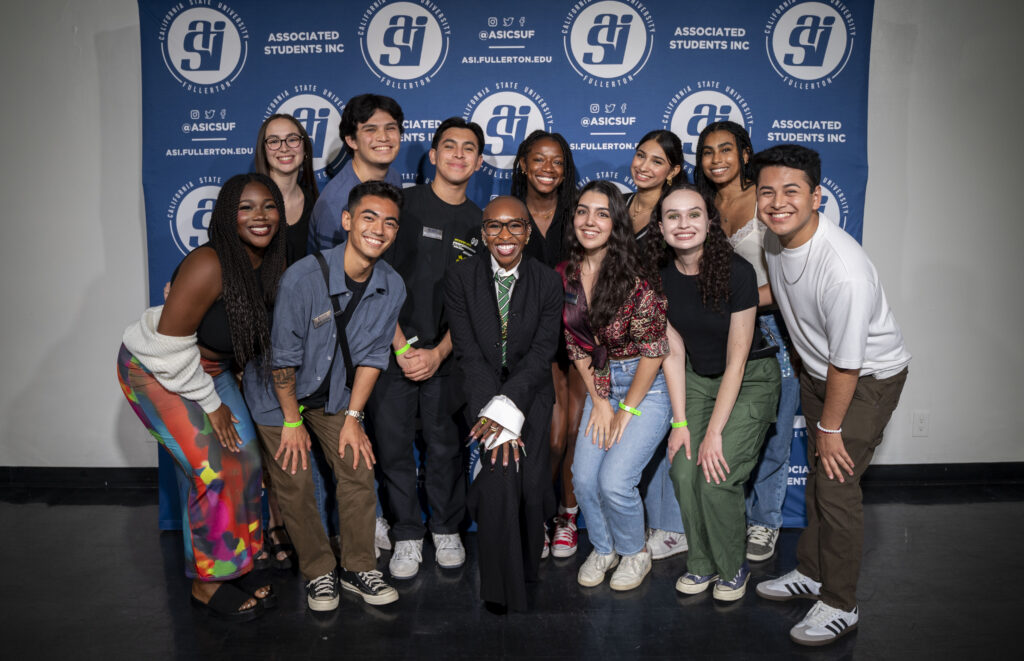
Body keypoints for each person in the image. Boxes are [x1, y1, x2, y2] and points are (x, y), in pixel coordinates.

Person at [751, 145, 910, 646]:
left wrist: (829, 428)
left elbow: (849, 362)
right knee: (822, 479)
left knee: (837, 485)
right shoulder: (775, 239)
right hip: (822, 373)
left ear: (817, 197)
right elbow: (781, 292)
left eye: (791, 191)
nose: (778, 202)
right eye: (767, 191)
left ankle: (841, 602)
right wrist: (730, 306)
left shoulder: (844, 270)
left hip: (864, 380)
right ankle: (813, 573)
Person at [117, 173, 287, 621]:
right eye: (246, 207)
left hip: (207, 371)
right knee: (212, 470)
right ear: (227, 215)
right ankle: (207, 584)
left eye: (268, 206)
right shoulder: (210, 263)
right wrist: (212, 406)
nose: (260, 216)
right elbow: (168, 350)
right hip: (156, 371)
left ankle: (237, 565)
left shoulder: (269, 264)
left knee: (246, 462)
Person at [243, 181, 407, 611]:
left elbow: (373, 356)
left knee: (357, 468)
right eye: (369, 217)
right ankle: (318, 572)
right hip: (279, 396)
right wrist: (291, 422)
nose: (379, 229)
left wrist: (354, 416)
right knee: (294, 481)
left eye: (390, 222)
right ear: (348, 221)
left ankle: (358, 567)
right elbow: (281, 361)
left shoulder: (393, 285)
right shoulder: (303, 277)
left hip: (333, 393)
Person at [367, 118, 485, 579]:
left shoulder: (480, 224)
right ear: (432, 156)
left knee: (445, 447)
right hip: (390, 349)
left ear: (478, 161)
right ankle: (408, 536)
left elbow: (477, 306)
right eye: (449, 146)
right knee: (394, 448)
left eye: (468, 148)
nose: (458, 154)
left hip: (447, 356)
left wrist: (438, 353)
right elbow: (376, 278)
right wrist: (401, 348)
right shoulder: (401, 206)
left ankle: (446, 529)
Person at [653, 183, 781, 602]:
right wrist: (681, 423)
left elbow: (738, 359)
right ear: (660, 225)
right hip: (697, 378)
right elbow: (672, 350)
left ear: (709, 221)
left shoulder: (736, 272)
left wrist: (713, 433)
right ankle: (702, 564)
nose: (683, 224)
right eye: (673, 216)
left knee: (716, 473)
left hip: (749, 378)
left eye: (693, 214)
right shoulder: (659, 276)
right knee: (684, 469)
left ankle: (732, 566)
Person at [445, 196, 562, 612]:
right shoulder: (461, 278)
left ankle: (529, 567)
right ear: (483, 233)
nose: (505, 235)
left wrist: (509, 409)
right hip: (480, 392)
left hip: (531, 393)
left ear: (528, 233)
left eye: (515, 226)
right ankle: (500, 588)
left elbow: (542, 352)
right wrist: (493, 414)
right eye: (494, 226)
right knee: (499, 473)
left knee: (531, 485)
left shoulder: (548, 281)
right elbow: (468, 353)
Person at [695, 120, 800, 563]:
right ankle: (726, 516)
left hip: (773, 330)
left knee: (774, 433)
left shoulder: (765, 200)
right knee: (727, 433)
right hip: (717, 334)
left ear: (744, 154)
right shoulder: (701, 205)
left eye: (725, 149)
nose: (716, 159)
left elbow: (793, 279)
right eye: (706, 152)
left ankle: (766, 522)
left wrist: (738, 304)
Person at [561, 180, 670, 591]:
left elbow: (655, 351)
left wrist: (625, 409)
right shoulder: (568, 274)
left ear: (617, 224)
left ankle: (633, 552)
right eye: (583, 211)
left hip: (647, 387)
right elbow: (576, 347)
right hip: (601, 383)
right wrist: (600, 401)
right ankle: (604, 548)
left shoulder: (636, 277)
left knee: (615, 481)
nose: (590, 221)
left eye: (602, 213)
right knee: (584, 478)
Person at [510, 130, 584, 559]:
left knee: (572, 432)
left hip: (577, 337)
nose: (548, 169)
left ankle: (566, 514)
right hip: (526, 343)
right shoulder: (508, 213)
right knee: (550, 438)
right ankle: (534, 513)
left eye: (557, 161)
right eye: (539, 159)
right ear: (523, 164)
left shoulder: (578, 214)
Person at [626, 130, 688, 560]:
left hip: (665, 326)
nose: (644, 166)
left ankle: (671, 528)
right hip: (619, 335)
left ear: (674, 171)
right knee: (634, 433)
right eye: (640, 156)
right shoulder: (620, 205)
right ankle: (641, 519)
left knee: (667, 423)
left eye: (656, 161)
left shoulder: (675, 211)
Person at [307, 94, 403, 252]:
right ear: (351, 140)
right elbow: (329, 271)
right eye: (371, 129)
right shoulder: (335, 203)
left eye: (390, 128)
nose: (384, 137)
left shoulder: (393, 177)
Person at [254, 113, 319, 263]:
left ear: (305, 148)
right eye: (274, 141)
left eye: (292, 139)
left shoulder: (315, 203)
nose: (284, 148)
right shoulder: (246, 201)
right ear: (263, 151)